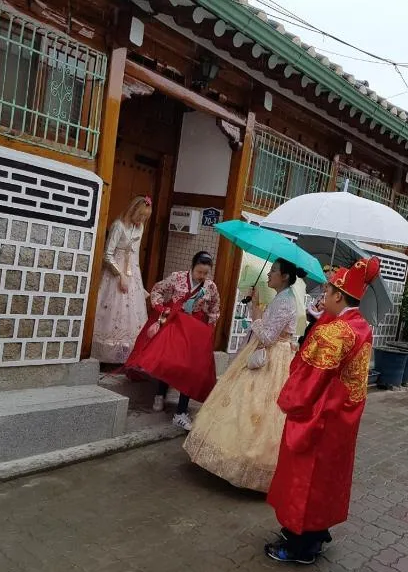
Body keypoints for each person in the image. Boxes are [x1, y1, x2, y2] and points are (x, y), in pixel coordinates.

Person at [265, 257, 381, 565]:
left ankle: (299, 545)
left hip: (318, 416)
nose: (323, 295)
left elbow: (308, 380)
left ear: (339, 296)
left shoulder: (335, 332)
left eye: (327, 290)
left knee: (304, 478)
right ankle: (315, 533)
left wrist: (292, 402)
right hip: (341, 418)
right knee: (327, 479)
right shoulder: (359, 326)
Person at [183, 258, 304, 492]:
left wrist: (255, 314)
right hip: (265, 354)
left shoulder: (285, 301)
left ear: (285, 276)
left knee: (258, 411)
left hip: (271, 360)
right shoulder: (282, 297)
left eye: (273, 271)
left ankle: (248, 465)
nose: (269, 275)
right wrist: (257, 306)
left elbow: (268, 337)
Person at [123, 251, 220, 431]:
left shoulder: (211, 287)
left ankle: (181, 411)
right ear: (192, 267)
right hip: (176, 324)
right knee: (170, 361)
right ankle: (160, 393)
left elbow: (215, 308)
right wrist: (161, 308)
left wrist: (211, 327)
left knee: (190, 369)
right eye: (199, 272)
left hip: (195, 330)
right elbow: (157, 290)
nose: (202, 276)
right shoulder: (177, 278)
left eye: (206, 273)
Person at [91, 195, 152, 364]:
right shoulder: (118, 226)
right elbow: (107, 255)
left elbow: (135, 255)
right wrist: (120, 275)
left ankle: (125, 355)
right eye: (140, 216)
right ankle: (104, 354)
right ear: (132, 211)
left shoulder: (139, 227)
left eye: (145, 217)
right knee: (111, 311)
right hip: (114, 273)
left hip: (132, 273)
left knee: (131, 315)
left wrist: (138, 284)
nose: (142, 220)